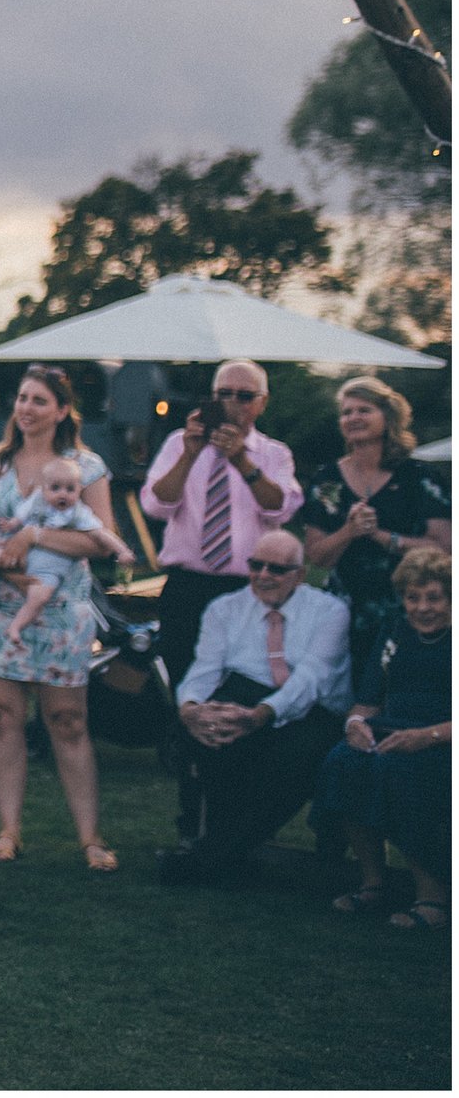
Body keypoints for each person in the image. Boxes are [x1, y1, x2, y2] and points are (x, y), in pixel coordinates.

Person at [0, 364, 124, 869]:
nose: (27, 408)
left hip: (63, 611)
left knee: (68, 719)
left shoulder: (86, 467)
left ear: (60, 410)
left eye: (39, 400)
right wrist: (14, 576)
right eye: (22, 398)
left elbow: (96, 538)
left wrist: (31, 537)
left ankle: (91, 838)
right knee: (3, 718)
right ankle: (8, 831)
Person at [160, 530, 351, 888]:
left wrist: (260, 716)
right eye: (256, 565)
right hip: (246, 694)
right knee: (207, 736)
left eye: (276, 569)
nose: (263, 575)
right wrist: (190, 711)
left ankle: (209, 858)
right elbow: (203, 670)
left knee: (295, 757)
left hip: (313, 707)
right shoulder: (224, 608)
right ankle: (221, 851)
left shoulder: (330, 612)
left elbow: (310, 679)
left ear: (299, 574)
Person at [139, 360, 302, 694]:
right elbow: (155, 505)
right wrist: (188, 455)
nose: (232, 403)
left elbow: (281, 508)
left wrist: (242, 460)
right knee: (182, 675)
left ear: (262, 402)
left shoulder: (274, 454)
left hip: (247, 585)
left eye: (244, 396)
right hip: (188, 584)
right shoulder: (178, 443)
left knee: (242, 678)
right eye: (223, 394)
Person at [315, 547, 450, 930]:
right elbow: (368, 700)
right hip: (395, 731)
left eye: (434, 598)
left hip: (443, 740)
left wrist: (429, 736)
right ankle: (375, 882)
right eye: (413, 597)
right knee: (345, 761)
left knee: (403, 771)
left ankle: (433, 895)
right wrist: (355, 724)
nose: (422, 607)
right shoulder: (395, 630)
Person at [298, 376, 451, 696]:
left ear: (388, 416)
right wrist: (350, 531)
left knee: (408, 695)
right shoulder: (328, 481)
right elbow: (317, 556)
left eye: (363, 410)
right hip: (346, 612)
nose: (353, 418)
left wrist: (382, 536)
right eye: (346, 412)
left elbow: (444, 548)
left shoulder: (418, 477)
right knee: (355, 697)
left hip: (414, 609)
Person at [0, 457, 131, 639]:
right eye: (55, 488)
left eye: (70, 489)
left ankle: (16, 626)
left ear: (79, 490)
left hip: (50, 566)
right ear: (44, 489)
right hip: (21, 554)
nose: (62, 494)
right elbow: (21, 515)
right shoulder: (38, 502)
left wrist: (122, 550)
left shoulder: (78, 513)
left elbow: (101, 533)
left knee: (38, 598)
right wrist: (12, 524)